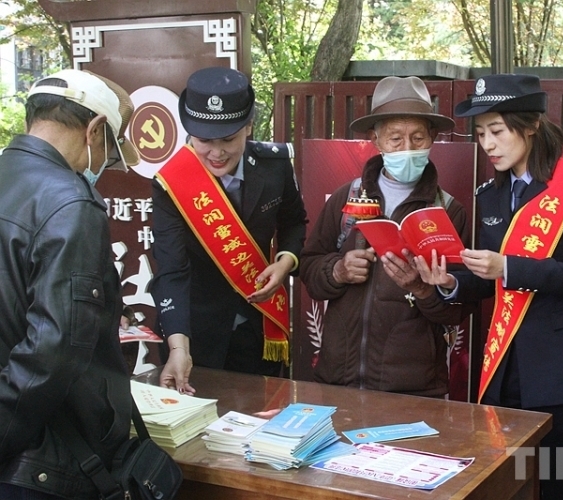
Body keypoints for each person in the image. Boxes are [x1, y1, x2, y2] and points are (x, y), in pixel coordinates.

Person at [415, 74, 563, 500]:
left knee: (561, 483)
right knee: (509, 483)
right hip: (505, 368)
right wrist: (450, 282)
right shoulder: (489, 193)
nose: (488, 144)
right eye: (480, 134)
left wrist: (508, 266)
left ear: (531, 126)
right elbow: (487, 279)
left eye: (497, 131)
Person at [0, 69, 140, 498]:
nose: (101, 166)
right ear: (94, 129)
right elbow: (54, 348)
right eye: (109, 153)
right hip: (41, 456)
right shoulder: (70, 202)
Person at [299, 76, 472, 397]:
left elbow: (459, 309)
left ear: (432, 138)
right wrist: (338, 270)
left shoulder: (449, 211)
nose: (407, 149)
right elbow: (309, 269)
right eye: (395, 139)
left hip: (414, 388)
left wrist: (422, 288)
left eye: (418, 138)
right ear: (375, 140)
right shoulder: (346, 198)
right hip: (339, 380)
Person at [151, 67, 307, 395]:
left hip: (257, 326)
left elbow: (294, 222)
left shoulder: (274, 166)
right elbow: (172, 271)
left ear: (248, 127)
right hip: (193, 334)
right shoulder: (172, 184)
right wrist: (178, 347)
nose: (217, 152)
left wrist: (285, 263)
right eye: (204, 140)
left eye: (228, 139)